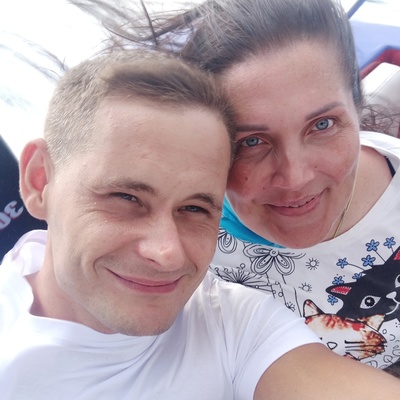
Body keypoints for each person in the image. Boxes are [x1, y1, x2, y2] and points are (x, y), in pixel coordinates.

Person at [4, 47, 400, 399]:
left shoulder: (236, 324)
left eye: (194, 209)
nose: (167, 252)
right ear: (40, 180)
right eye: (126, 198)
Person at [69, 0, 400, 374]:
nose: (295, 178)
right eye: (251, 142)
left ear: (356, 107)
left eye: (322, 125)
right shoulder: (181, 254)